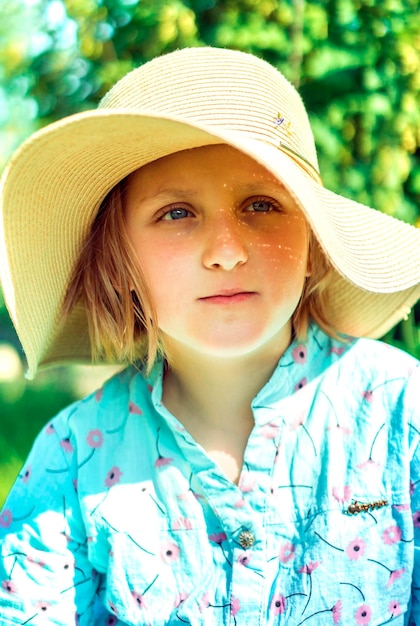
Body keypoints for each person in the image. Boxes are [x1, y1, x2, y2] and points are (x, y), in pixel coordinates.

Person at [0, 46, 419, 626]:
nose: (226, 251)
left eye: (261, 204)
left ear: (314, 243)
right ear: (120, 262)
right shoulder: (72, 462)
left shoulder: (403, 415)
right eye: (176, 213)